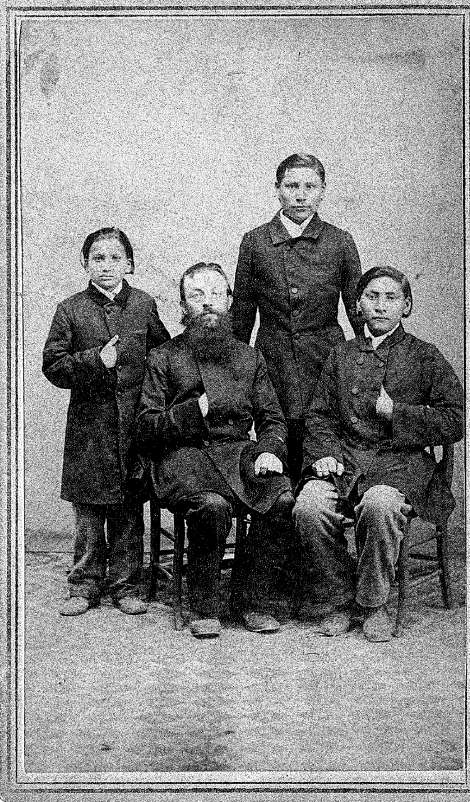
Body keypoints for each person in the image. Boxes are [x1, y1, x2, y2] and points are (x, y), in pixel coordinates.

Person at [293, 266, 463, 642]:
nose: (381, 306)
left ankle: (372, 604)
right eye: (372, 297)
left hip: (399, 462)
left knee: (381, 505)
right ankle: (338, 601)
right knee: (308, 505)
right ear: (357, 305)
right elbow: (319, 415)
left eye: (391, 298)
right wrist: (323, 452)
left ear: (406, 306)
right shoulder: (341, 355)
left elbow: (456, 419)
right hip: (348, 460)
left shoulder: (425, 356)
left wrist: (396, 413)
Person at [135, 262, 295, 639]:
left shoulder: (248, 357)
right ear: (182, 307)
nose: (208, 304)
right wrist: (193, 412)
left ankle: (252, 599)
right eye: (197, 295)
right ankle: (203, 605)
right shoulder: (164, 357)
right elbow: (145, 426)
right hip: (183, 457)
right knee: (212, 505)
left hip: (238, 454)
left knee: (282, 498)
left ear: (229, 301)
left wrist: (270, 449)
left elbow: (273, 419)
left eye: (216, 294)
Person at [42, 227, 170, 616]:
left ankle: (127, 584)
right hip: (90, 428)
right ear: (85, 264)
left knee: (129, 506)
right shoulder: (70, 309)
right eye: (98, 258)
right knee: (89, 510)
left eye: (116, 258)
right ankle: (83, 584)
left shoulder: (145, 305)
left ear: (129, 263)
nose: (107, 266)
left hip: (133, 425)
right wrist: (96, 360)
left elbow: (164, 356)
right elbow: (53, 366)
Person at [231, 153, 363, 484]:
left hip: (326, 358)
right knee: (275, 445)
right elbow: (242, 316)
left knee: (322, 443)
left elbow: (358, 314)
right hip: (272, 360)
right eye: (291, 185)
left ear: (322, 191)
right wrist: (235, 375)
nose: (300, 195)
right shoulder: (255, 242)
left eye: (310, 186)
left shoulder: (340, 241)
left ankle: (317, 521)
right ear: (277, 190)